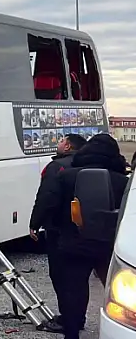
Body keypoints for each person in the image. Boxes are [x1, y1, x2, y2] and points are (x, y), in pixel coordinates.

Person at [32, 133, 129, 339]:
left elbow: (51, 201)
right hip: (108, 245)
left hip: (73, 242)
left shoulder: (66, 175)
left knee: (73, 289)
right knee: (117, 289)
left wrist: (41, 224)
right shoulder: (122, 181)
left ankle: (72, 331)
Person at [28, 133, 88, 334]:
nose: (59, 143)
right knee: (79, 279)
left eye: (62, 140)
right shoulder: (89, 166)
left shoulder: (57, 167)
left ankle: (67, 319)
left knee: (61, 277)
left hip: (59, 230)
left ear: (68, 146)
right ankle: (78, 317)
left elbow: (47, 197)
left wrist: (35, 223)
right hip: (85, 230)